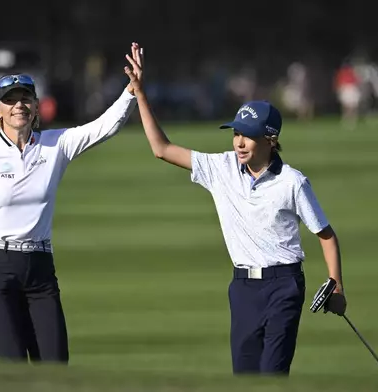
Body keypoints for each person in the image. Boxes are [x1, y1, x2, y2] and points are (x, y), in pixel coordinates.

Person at [123, 46, 346, 376]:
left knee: (272, 374)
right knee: (244, 376)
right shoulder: (221, 167)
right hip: (242, 288)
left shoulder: (292, 182)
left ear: (270, 139)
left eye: (249, 136)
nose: (239, 143)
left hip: (285, 285)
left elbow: (325, 236)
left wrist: (337, 286)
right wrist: (140, 93)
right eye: (237, 134)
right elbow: (162, 149)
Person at [0, 45, 141, 363]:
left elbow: (105, 127)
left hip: (39, 269)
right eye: (11, 100)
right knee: (13, 366)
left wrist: (131, 91)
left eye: (25, 98)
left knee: (55, 366)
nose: (19, 105)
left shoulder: (55, 144)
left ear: (36, 105)